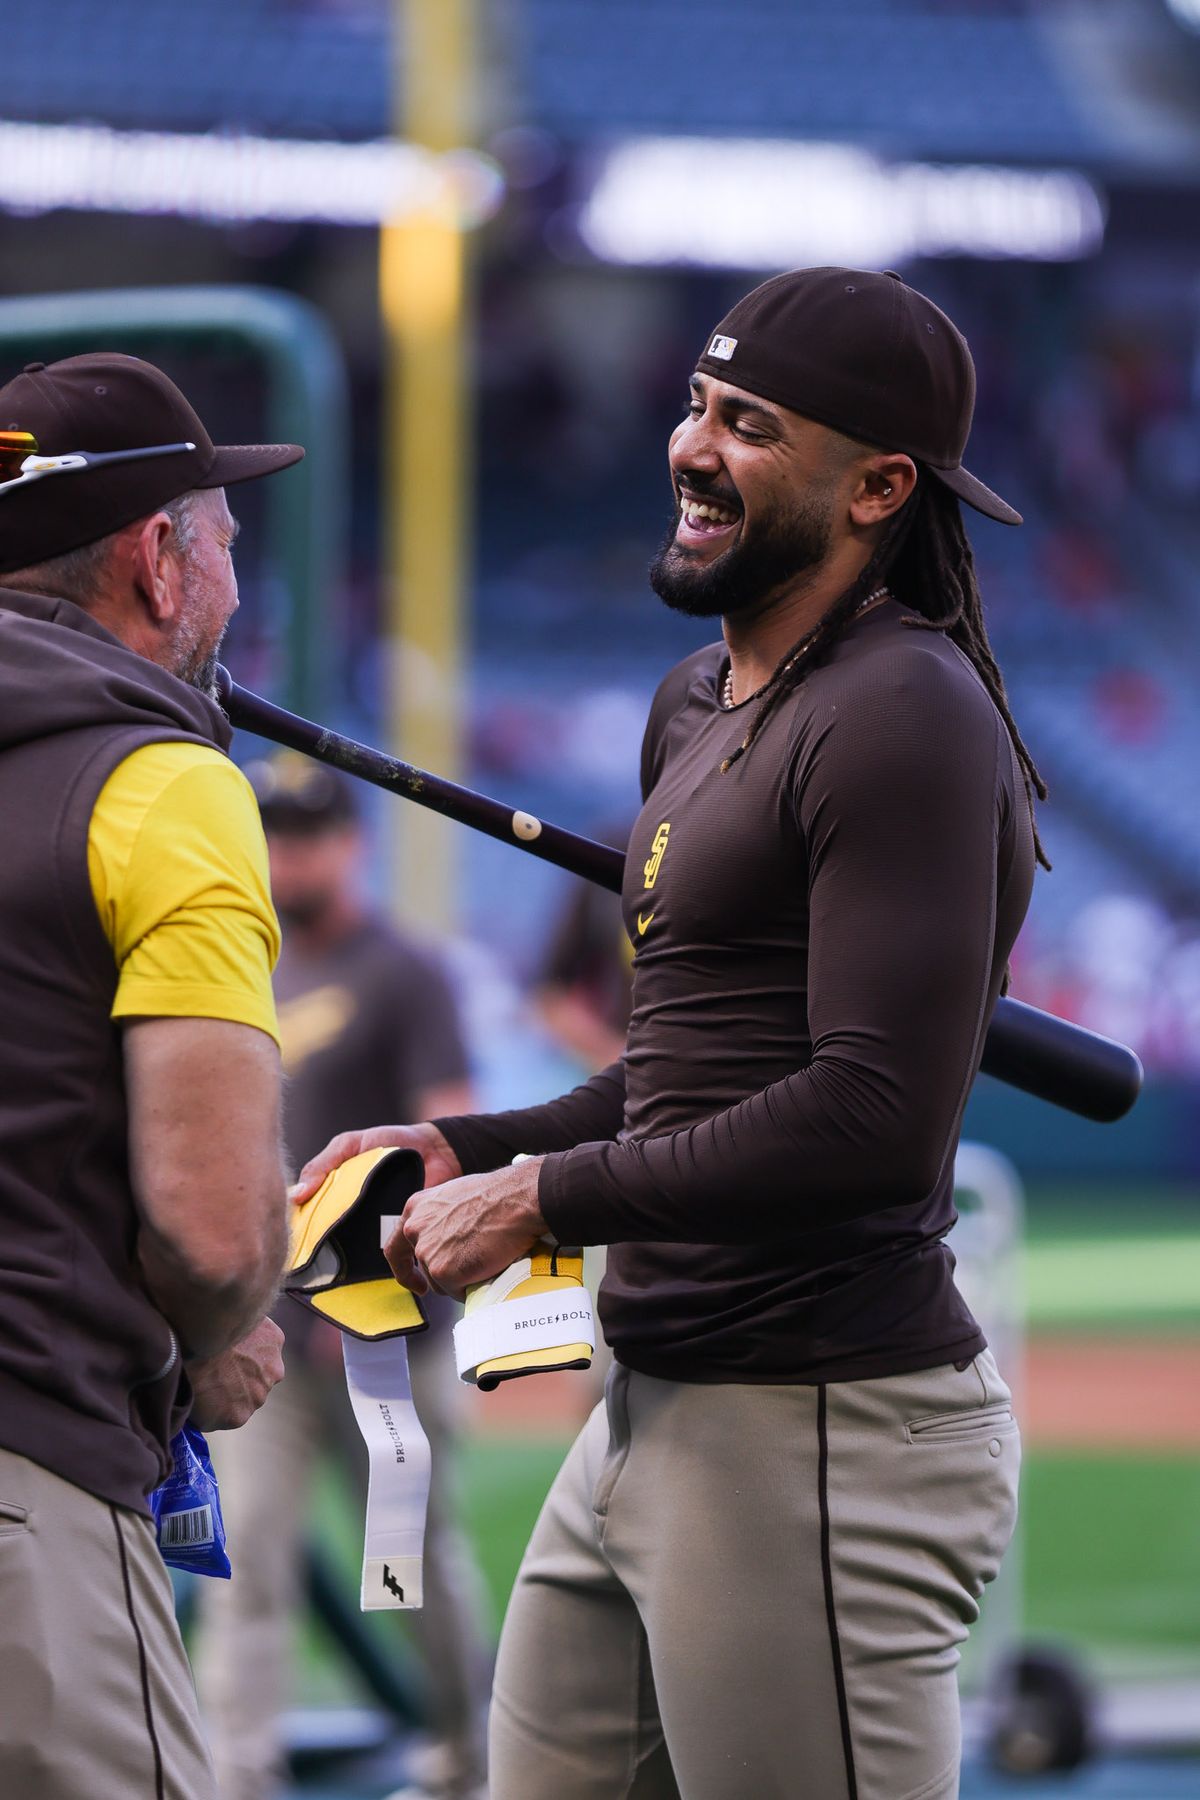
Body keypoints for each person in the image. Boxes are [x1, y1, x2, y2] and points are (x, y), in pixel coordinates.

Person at [294, 268, 1043, 1800]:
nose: (694, 449)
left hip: (816, 1424)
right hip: (652, 1404)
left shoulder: (906, 709)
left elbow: (872, 1114)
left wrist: (539, 1203)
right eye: (698, 408)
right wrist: (479, 1146)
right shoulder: (695, 698)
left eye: (750, 426)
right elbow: (692, 1075)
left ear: (878, 487)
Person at [0, 353, 301, 1799]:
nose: (234, 586)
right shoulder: (160, 786)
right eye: (227, 545)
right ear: (159, 559)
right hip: (32, 1470)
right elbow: (212, 1228)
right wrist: (220, 1330)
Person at [193, 753, 491, 1800]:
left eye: (309, 837)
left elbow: (442, 1145)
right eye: (274, 838)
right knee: (248, 1570)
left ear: (350, 846)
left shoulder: (404, 971)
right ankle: (239, 1775)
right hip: (260, 1327)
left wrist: (368, 1294)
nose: (289, 857)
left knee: (409, 1570)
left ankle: (471, 1755)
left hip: (385, 1338)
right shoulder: (246, 965)